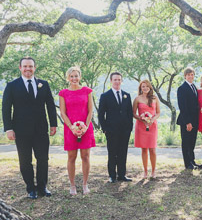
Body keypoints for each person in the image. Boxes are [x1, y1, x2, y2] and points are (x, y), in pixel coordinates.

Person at [2, 56, 57, 199]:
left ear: (35, 68)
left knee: (43, 159)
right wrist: (8, 128)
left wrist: (53, 124)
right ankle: (30, 188)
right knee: (25, 160)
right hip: (20, 130)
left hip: (40, 129)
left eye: (30, 66)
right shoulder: (12, 86)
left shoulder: (43, 84)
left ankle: (42, 187)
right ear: (20, 68)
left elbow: (50, 106)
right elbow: (6, 108)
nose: (28, 69)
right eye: (25, 66)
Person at [59, 66, 96, 195]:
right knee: (71, 157)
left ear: (80, 77)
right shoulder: (63, 93)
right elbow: (63, 113)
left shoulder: (87, 91)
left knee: (85, 156)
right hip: (70, 129)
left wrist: (85, 127)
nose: (74, 78)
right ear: (68, 78)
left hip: (86, 128)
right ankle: (72, 185)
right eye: (71, 76)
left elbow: (90, 110)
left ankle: (85, 184)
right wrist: (72, 127)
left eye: (76, 76)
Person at [98, 72, 133, 183]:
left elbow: (129, 113)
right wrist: (105, 128)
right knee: (112, 153)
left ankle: (122, 175)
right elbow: (100, 114)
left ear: (121, 81)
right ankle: (112, 175)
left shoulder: (127, 95)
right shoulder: (105, 96)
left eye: (119, 79)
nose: (117, 81)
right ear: (111, 81)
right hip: (111, 130)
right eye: (115, 80)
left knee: (123, 152)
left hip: (125, 130)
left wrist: (130, 127)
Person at [133, 80, 160, 179]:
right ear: (140, 88)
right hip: (141, 126)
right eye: (143, 86)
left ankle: (153, 171)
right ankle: (145, 171)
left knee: (152, 149)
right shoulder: (137, 99)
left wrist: (152, 119)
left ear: (150, 88)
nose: (145, 88)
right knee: (144, 149)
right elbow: (133, 113)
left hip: (152, 126)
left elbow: (158, 112)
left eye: (147, 86)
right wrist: (141, 118)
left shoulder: (154, 98)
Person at [176, 67, 202, 170]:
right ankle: (187, 164)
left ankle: (192, 161)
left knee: (192, 142)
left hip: (195, 120)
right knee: (186, 142)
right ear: (185, 76)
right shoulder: (182, 88)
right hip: (186, 121)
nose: (190, 76)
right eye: (188, 74)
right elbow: (183, 107)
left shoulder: (194, 87)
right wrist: (188, 122)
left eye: (192, 74)